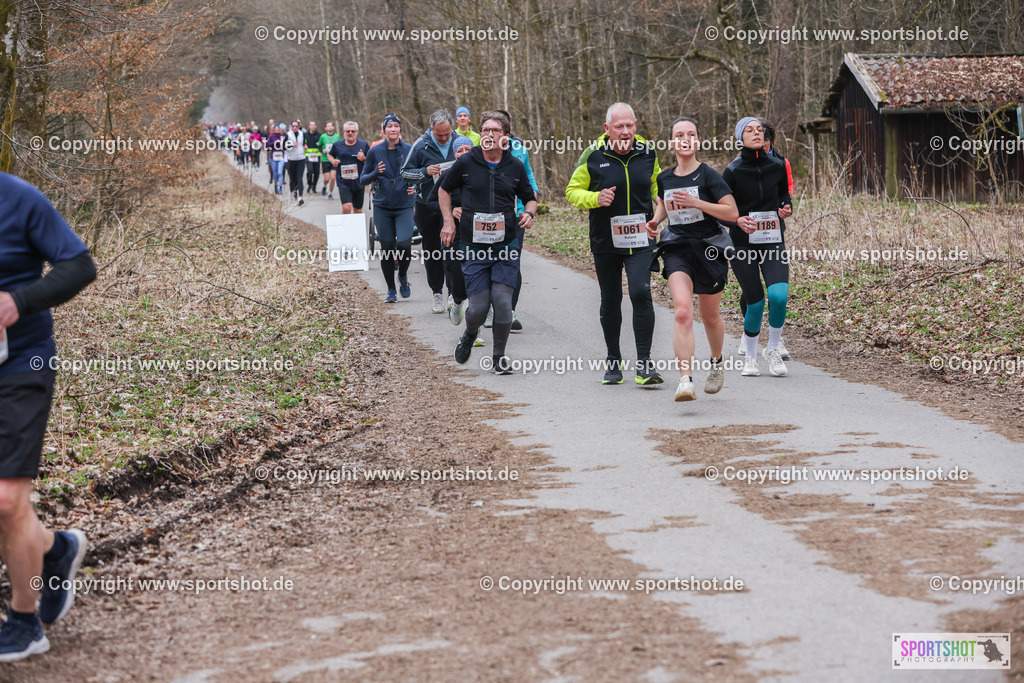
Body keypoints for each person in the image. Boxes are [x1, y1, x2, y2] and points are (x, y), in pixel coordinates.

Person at [0, 173, 96, 661]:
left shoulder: (18, 199)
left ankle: (24, 622)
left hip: (18, 365)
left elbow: (79, 265)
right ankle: (54, 550)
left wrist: (17, 300)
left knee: (5, 499)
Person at [565, 102, 663, 387]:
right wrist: (596, 199)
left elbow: (657, 186)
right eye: (618, 127)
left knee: (641, 293)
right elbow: (572, 191)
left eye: (629, 125)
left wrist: (660, 214)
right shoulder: (593, 156)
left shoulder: (648, 152)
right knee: (611, 299)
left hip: (641, 237)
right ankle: (613, 360)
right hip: (605, 239)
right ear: (607, 129)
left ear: (636, 125)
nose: (625, 131)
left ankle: (644, 364)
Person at [646, 117, 738, 401]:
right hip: (677, 248)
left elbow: (732, 214)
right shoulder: (665, 177)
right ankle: (685, 379)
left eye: (691, 134)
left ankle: (716, 361)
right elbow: (665, 203)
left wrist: (697, 203)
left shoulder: (709, 175)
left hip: (709, 249)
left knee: (709, 317)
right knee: (683, 311)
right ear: (672, 142)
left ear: (697, 141)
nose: (685, 139)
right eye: (679, 135)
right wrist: (655, 221)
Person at [440, 111, 537, 375]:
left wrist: (529, 212)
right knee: (479, 309)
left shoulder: (514, 166)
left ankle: (499, 357)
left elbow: (530, 197)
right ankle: (470, 334)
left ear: (505, 136)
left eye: (494, 130)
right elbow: (443, 189)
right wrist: (449, 221)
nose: (488, 135)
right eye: (484, 130)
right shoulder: (467, 162)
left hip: (506, 245)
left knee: (503, 303)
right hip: (474, 247)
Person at [722, 116, 793, 377]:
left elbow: (784, 195)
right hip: (742, 244)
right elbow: (719, 211)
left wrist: (786, 208)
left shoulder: (777, 165)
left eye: (760, 130)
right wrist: (736, 220)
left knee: (779, 297)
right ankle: (750, 356)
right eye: (749, 130)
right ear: (740, 138)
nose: (756, 133)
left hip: (772, 239)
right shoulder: (732, 171)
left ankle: (772, 349)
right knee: (755, 303)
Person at [401, 109, 458, 314]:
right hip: (426, 205)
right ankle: (437, 293)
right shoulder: (420, 145)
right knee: (433, 250)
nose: (444, 138)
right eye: (439, 135)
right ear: (431, 129)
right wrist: (425, 172)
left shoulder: (459, 141)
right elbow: (405, 173)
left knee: (451, 250)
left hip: (453, 205)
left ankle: (454, 294)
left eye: (447, 134)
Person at [360, 114, 415, 302]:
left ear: (400, 129)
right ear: (383, 130)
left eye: (396, 126)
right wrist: (376, 172)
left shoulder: (409, 150)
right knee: (387, 248)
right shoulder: (375, 151)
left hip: (404, 206)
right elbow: (363, 179)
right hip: (383, 206)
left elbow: (420, 172)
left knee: (404, 245)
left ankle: (403, 276)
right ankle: (391, 290)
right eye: (389, 126)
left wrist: (416, 184)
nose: (393, 129)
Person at [427, 136, 473, 325]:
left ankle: (479, 314)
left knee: (479, 273)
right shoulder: (448, 174)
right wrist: (451, 211)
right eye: (459, 151)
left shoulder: (484, 173)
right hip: (454, 233)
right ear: (454, 154)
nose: (463, 154)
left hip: (479, 234)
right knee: (456, 273)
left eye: (466, 149)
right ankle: (457, 301)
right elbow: (430, 201)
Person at [328, 121, 370, 215]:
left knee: (358, 211)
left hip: (359, 182)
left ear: (357, 132)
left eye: (353, 131)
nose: (350, 133)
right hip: (344, 182)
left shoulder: (363, 145)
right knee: (347, 208)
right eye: (348, 131)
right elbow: (329, 155)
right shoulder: (337, 145)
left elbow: (371, 161)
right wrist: (333, 161)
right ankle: (344, 228)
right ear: (344, 132)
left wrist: (363, 158)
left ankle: (356, 229)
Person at [284, 120, 307, 205]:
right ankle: (293, 192)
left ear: (299, 126)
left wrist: (305, 146)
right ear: (291, 127)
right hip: (291, 159)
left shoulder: (302, 134)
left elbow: (304, 143)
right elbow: (283, 146)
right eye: (293, 126)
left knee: (300, 178)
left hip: (301, 158)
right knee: (292, 179)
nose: (295, 128)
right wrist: (291, 145)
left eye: (296, 126)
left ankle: (300, 197)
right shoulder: (288, 135)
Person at [318, 122, 341, 199]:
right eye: (328, 126)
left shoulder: (337, 137)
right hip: (325, 159)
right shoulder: (323, 137)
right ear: (325, 128)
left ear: (333, 127)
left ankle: (330, 193)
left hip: (335, 160)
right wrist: (322, 150)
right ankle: (324, 186)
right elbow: (319, 146)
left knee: (333, 178)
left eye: (331, 125)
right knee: (327, 179)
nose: (329, 127)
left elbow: (340, 146)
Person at [266, 123, 287, 194]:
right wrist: (274, 142)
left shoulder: (283, 136)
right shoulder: (271, 136)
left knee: (280, 172)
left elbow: (287, 145)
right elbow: (267, 145)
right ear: (274, 129)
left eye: (278, 128)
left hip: (281, 156)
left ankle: (280, 188)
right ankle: (275, 186)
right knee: (275, 173)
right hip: (273, 157)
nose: (277, 129)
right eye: (276, 128)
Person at [304, 121, 322, 194]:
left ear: (316, 126)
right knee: (310, 171)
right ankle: (309, 185)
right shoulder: (305, 135)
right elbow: (302, 142)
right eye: (311, 125)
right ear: (309, 126)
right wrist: (304, 145)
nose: (313, 127)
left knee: (317, 172)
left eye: (314, 125)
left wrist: (319, 145)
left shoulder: (319, 135)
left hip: (316, 156)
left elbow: (321, 145)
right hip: (308, 156)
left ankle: (314, 186)